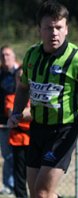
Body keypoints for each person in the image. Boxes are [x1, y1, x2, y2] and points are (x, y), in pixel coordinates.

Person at [6, 1, 78, 197]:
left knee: (43, 192)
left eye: (59, 27)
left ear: (67, 29)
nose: (54, 33)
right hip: (37, 128)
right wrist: (17, 112)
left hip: (63, 131)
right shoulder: (31, 55)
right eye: (49, 28)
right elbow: (23, 87)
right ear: (40, 30)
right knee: (36, 194)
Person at [5, 67, 31, 198]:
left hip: (35, 141)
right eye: (18, 77)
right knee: (19, 176)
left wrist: (22, 114)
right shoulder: (11, 97)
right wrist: (29, 112)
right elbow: (12, 113)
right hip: (18, 141)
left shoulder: (35, 98)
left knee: (37, 174)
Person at [0, 45, 20, 195]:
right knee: (7, 155)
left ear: (14, 56)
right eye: (2, 55)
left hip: (23, 123)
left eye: (8, 55)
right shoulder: (1, 74)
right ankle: (9, 185)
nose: (5, 58)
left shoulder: (21, 73)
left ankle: (20, 183)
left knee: (21, 156)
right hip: (4, 122)